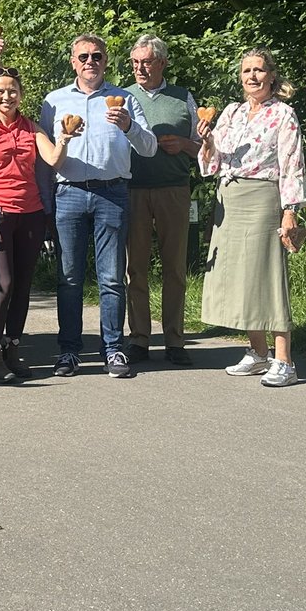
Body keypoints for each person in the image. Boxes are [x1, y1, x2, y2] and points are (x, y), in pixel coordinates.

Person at [39, 34, 157, 378]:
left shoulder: (124, 99)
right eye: (83, 57)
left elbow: (149, 148)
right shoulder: (54, 101)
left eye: (97, 56)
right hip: (68, 193)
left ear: (106, 60)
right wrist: (46, 205)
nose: (90, 62)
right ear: (73, 62)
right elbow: (44, 157)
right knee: (70, 278)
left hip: (112, 193)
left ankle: (113, 350)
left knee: (110, 277)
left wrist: (129, 126)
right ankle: (69, 351)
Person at [196, 47, 306, 388]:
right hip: (228, 199)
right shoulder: (231, 112)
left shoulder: (283, 114)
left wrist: (289, 211)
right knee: (239, 277)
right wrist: (206, 141)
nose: (252, 76)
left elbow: (292, 164)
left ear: (271, 76)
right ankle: (258, 353)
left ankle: (284, 360)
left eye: (259, 70)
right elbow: (213, 164)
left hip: (263, 198)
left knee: (266, 276)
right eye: (247, 71)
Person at [0, 63, 74, 382]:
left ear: (21, 95)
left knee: (23, 285)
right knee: (3, 283)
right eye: (0, 91)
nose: (6, 95)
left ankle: (12, 346)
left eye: (12, 90)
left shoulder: (31, 128)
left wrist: (66, 139)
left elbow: (54, 159)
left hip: (30, 213)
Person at [123, 34, 202, 367]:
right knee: (135, 269)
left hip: (174, 188)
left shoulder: (183, 98)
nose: (141, 68)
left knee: (174, 268)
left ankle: (175, 340)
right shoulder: (120, 96)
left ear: (163, 63)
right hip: (132, 190)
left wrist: (183, 145)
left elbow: (204, 149)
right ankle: (139, 339)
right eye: (136, 62)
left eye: (147, 62)